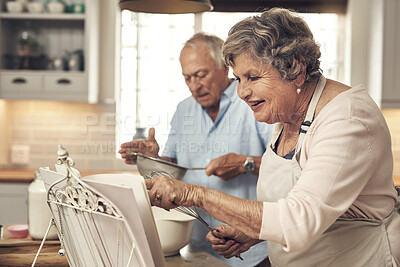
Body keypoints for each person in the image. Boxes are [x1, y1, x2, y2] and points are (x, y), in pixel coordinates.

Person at [144, 8, 400, 267]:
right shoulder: (286, 115)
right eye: (239, 79)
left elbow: (299, 221)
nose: (242, 92)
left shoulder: (347, 118)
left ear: (297, 68)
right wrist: (252, 232)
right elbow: (307, 202)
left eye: (252, 77)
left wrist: (195, 195)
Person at [119, 33, 272, 266]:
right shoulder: (183, 110)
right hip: (197, 247)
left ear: (224, 67)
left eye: (201, 75)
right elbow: (172, 171)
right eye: (187, 78)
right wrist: (152, 159)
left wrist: (245, 164)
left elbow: (284, 170)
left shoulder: (254, 103)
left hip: (251, 251)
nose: (194, 86)